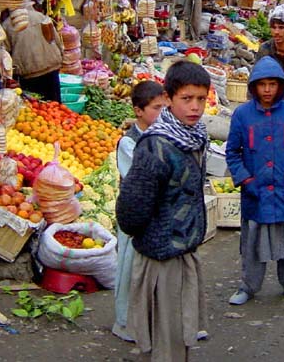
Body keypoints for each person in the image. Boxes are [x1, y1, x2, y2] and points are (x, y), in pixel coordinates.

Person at [115, 61, 211, 362]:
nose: (194, 107)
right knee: (165, 338)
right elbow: (131, 209)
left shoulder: (193, 137)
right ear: (168, 99)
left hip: (183, 248)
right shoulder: (155, 147)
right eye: (186, 99)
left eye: (200, 99)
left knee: (178, 332)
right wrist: (156, 234)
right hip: (161, 256)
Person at [225, 56, 284, 305]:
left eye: (273, 84)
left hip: (283, 190)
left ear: (281, 85)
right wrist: (246, 179)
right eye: (262, 85)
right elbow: (233, 152)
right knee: (251, 243)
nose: (268, 90)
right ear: (254, 87)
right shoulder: (242, 115)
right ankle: (248, 286)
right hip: (255, 193)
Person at [112, 81, 168, 342]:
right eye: (156, 108)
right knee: (130, 267)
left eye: (163, 107)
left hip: (155, 214)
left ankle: (151, 321)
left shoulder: (161, 136)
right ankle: (124, 323)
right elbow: (141, 179)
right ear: (138, 111)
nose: (162, 113)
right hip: (135, 215)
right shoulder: (128, 142)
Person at [3, 6, 63, 101]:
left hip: (29, 72)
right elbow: (56, 40)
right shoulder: (41, 16)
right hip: (51, 67)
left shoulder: (7, 24)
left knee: (37, 108)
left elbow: (3, 55)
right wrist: (60, 57)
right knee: (55, 106)